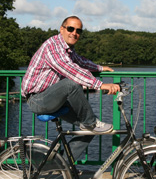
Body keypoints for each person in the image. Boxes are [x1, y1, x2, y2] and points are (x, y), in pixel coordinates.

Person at [21, 15, 120, 160]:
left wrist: (100, 68)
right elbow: (70, 69)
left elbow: (80, 62)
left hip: (54, 98)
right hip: (37, 99)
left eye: (78, 31)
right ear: (62, 29)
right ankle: (90, 123)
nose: (74, 33)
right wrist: (101, 85)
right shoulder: (52, 46)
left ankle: (63, 166)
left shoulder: (69, 50)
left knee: (91, 130)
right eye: (71, 28)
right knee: (71, 84)